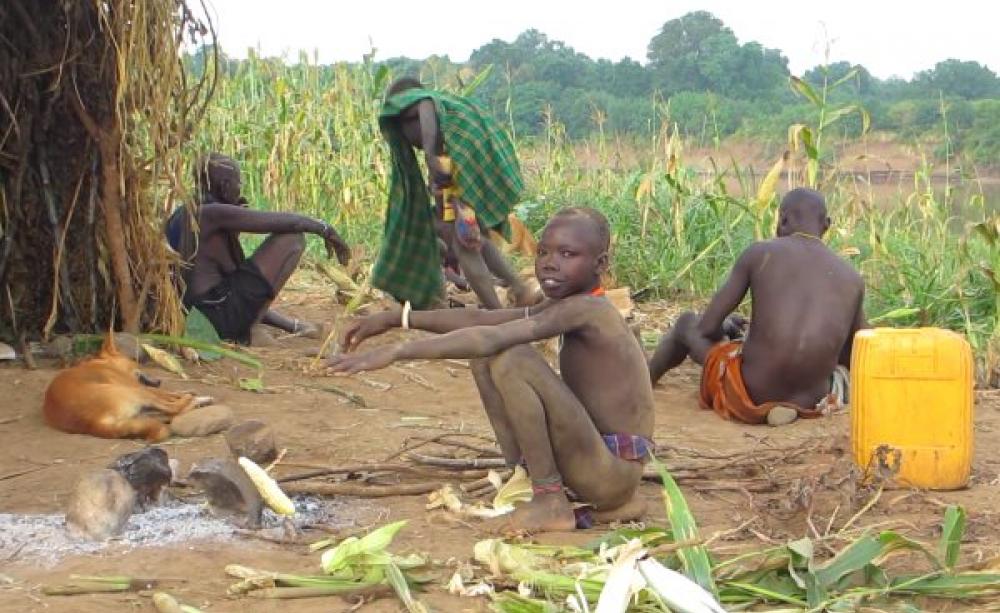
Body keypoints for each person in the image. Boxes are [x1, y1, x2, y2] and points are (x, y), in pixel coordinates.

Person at [329, 207, 653, 533]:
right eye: (543, 252)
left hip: (609, 475)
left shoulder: (590, 309)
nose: (549, 263)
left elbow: (491, 336)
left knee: (512, 358)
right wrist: (397, 318)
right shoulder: (566, 303)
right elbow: (482, 320)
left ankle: (549, 499)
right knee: (484, 355)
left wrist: (398, 350)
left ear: (600, 265)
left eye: (567, 254)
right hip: (594, 463)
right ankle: (524, 478)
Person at [648, 188, 866, 425]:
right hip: (811, 399)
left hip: (752, 392)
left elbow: (706, 328)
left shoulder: (761, 254)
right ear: (827, 225)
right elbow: (853, 353)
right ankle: (788, 407)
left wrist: (724, 328)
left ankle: (645, 379)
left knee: (686, 323)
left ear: (782, 219)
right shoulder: (852, 278)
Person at [374, 77, 533, 311]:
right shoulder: (445, 120)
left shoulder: (418, 103)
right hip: (467, 162)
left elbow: (425, 105)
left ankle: (496, 314)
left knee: (464, 241)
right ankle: (519, 288)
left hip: (459, 164)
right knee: (473, 235)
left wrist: (428, 155)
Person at [166, 153, 350, 345]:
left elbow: (241, 290)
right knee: (292, 240)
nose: (239, 190)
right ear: (225, 186)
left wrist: (292, 325)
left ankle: (263, 327)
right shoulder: (211, 213)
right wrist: (324, 228)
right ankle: (249, 332)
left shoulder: (185, 212)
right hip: (214, 319)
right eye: (238, 184)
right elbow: (287, 223)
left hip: (199, 315)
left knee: (246, 285)